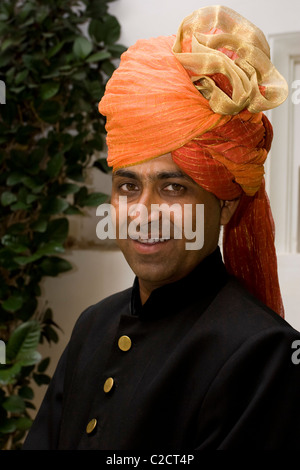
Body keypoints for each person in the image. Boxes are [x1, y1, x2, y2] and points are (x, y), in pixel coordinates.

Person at [23, 5, 300, 450]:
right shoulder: (94, 325)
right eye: (127, 185)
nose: (143, 211)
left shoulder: (263, 353)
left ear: (226, 204)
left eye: (173, 188)